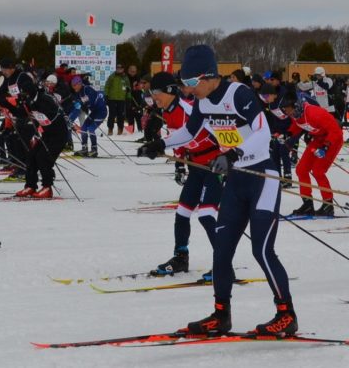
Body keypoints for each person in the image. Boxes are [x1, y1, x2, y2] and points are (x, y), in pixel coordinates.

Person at [137, 45, 296, 336]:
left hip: (262, 177)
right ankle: (221, 315)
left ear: (208, 76)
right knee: (221, 251)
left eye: (192, 84)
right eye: (186, 85)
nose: (189, 90)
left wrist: (233, 154)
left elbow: (262, 133)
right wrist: (161, 144)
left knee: (261, 249)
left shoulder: (239, 94)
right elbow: (191, 131)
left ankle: (286, 313)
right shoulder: (203, 101)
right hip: (236, 180)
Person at [146, 72, 221, 279]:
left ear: (170, 91)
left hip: (215, 167)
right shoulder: (168, 112)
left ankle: (223, 263)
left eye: (156, 92)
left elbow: (219, 133)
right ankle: (181, 257)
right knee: (182, 212)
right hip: (197, 167)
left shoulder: (188, 109)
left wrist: (227, 158)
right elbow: (177, 140)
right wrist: (179, 165)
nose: (154, 97)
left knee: (206, 215)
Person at [280, 92, 342, 217]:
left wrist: (325, 146)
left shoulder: (314, 113)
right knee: (301, 169)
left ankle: (328, 204)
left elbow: (335, 131)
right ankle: (307, 204)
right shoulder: (296, 114)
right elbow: (297, 126)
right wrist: (288, 134)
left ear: (296, 105)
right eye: (285, 111)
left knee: (318, 171)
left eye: (288, 110)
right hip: (318, 139)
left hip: (332, 140)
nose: (287, 113)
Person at [68, 75, 106, 157]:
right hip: (94, 112)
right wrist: (70, 117)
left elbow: (91, 101)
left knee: (90, 128)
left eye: (75, 85)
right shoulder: (78, 93)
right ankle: (84, 148)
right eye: (72, 86)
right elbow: (78, 106)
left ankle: (94, 149)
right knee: (83, 128)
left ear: (80, 83)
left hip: (101, 111)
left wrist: (82, 104)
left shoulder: (87, 89)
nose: (74, 87)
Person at [104, 63, 129, 135]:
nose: (119, 70)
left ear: (123, 69)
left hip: (121, 99)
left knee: (121, 115)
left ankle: (120, 129)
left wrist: (128, 97)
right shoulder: (112, 76)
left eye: (120, 69)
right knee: (112, 114)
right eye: (117, 68)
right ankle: (110, 129)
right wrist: (106, 95)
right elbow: (107, 86)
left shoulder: (125, 78)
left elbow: (129, 88)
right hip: (112, 98)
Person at [125, 64, 142, 134]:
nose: (133, 73)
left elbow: (141, 88)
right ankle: (130, 131)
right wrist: (127, 89)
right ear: (128, 71)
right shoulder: (125, 78)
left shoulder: (138, 78)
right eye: (132, 71)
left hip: (137, 99)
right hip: (129, 99)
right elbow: (123, 88)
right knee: (130, 116)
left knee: (138, 116)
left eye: (134, 71)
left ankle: (140, 130)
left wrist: (136, 88)